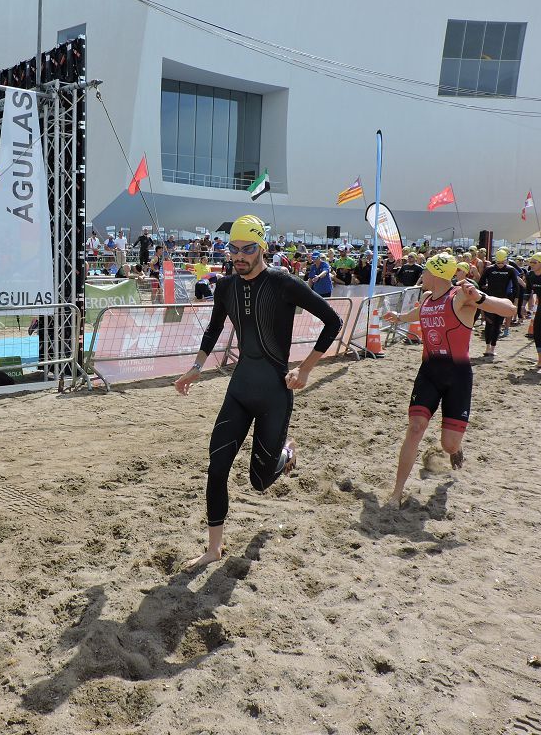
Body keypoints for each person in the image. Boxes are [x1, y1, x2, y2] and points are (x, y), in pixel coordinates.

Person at [174, 215, 342, 568]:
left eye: (247, 249)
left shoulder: (284, 283)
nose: (239, 256)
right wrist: (195, 367)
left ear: (262, 247)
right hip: (240, 388)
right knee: (216, 467)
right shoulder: (226, 287)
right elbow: (213, 329)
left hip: (275, 393)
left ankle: (286, 451)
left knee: (259, 481)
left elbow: (333, 321)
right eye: (232, 249)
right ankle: (213, 548)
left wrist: (306, 367)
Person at [383, 253, 515, 506]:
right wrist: (399, 318)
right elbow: (419, 312)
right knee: (415, 428)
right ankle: (397, 493)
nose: (422, 275)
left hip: (458, 376)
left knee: (449, 445)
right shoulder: (426, 298)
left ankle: (457, 448)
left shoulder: (461, 295)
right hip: (429, 372)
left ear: (436, 274)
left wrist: (481, 298)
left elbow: (509, 308)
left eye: (425, 271)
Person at [478, 249, 519, 357]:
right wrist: (484, 293)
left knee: (497, 324)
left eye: (502, 263)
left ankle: (492, 348)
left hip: (502, 301)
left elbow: (516, 286)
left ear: (506, 261)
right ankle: (487, 348)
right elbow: (481, 283)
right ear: (495, 261)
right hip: (490, 300)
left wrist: (515, 300)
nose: (500, 265)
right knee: (489, 323)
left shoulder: (510, 270)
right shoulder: (489, 269)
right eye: (498, 263)